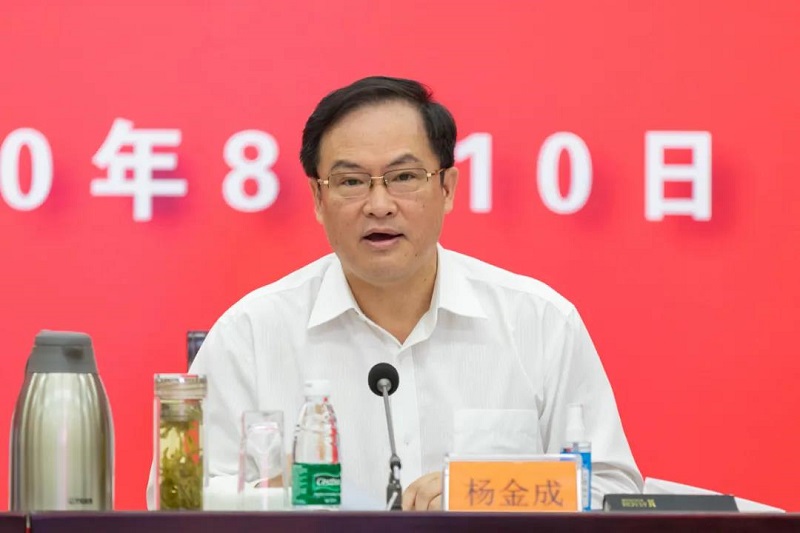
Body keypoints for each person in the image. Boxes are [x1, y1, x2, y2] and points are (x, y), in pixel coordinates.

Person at [148, 76, 642, 510]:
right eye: (351, 182)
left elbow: (612, 491)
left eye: (404, 177)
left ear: (447, 188)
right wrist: (274, 501)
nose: (379, 205)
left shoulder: (539, 322)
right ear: (318, 198)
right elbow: (177, 504)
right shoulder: (251, 336)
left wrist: (479, 491)